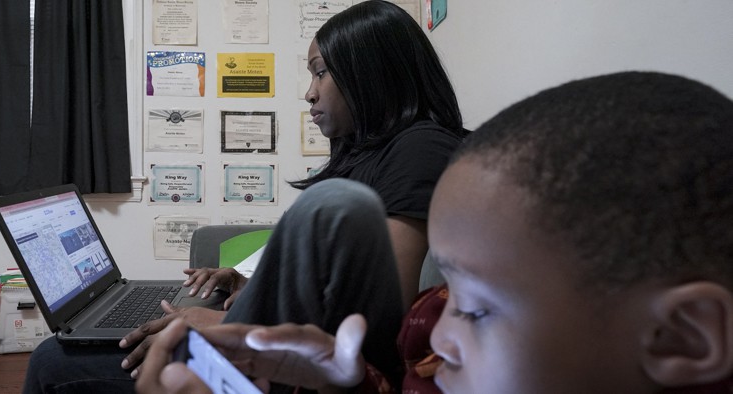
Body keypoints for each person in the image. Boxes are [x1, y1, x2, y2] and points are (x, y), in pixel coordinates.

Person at [135, 71, 733, 393]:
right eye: (449, 296)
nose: (429, 342)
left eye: (477, 312)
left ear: (679, 337)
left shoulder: (415, 153)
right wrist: (349, 384)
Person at [22, 1, 467, 392]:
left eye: (320, 72)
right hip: (281, 341)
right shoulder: (373, 151)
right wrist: (254, 285)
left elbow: (373, 320)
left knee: (52, 361)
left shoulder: (420, 149)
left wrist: (220, 325)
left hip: (298, 369)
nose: (309, 92)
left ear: (371, 72)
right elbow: (334, 278)